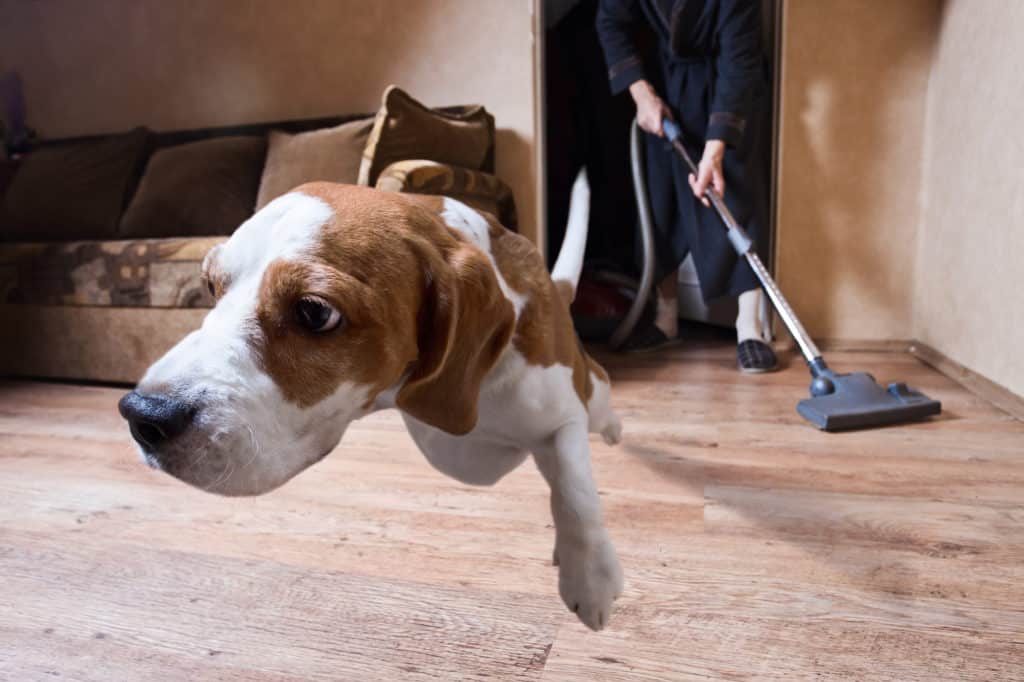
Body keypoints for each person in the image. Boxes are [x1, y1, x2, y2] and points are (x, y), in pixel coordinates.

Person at [596, 0, 777, 372]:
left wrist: (716, 149)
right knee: (661, 198)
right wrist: (642, 95)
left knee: (736, 195)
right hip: (666, 84)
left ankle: (750, 327)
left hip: (727, 86)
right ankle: (666, 319)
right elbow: (611, 22)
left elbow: (739, 61)